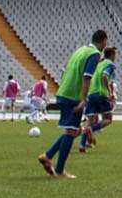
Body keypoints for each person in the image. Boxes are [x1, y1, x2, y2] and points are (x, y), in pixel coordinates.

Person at [38, 29, 105, 179]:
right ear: (104, 41)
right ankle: (60, 170)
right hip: (73, 95)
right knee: (71, 132)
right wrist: (84, 99)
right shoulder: (94, 54)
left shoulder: (81, 50)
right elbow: (87, 77)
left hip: (64, 91)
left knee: (72, 131)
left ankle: (48, 156)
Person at [79, 47, 117, 152]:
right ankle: (92, 130)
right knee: (108, 119)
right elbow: (105, 76)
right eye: (115, 54)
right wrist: (110, 92)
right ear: (112, 55)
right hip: (101, 93)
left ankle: (82, 145)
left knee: (90, 120)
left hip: (91, 93)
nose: (116, 57)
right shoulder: (110, 64)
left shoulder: (99, 64)